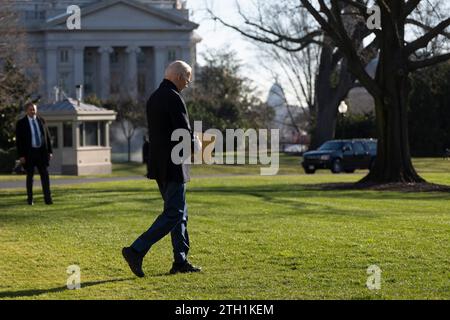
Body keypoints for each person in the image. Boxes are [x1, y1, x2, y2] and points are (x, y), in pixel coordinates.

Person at [122, 61, 201, 277]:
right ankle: (136, 250)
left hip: (160, 164)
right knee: (174, 212)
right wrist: (195, 147)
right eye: (187, 78)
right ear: (178, 76)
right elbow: (183, 131)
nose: (188, 83)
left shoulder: (154, 96)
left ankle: (180, 260)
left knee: (179, 212)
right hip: (174, 164)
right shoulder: (174, 97)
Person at [15, 102, 53, 205]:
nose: (33, 111)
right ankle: (30, 199)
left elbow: (47, 137)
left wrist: (50, 151)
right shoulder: (21, 123)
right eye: (31, 109)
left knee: (45, 176)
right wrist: (21, 156)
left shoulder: (41, 120)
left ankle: (48, 199)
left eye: (34, 109)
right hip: (29, 153)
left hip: (41, 152)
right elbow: (19, 141)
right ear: (26, 111)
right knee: (30, 177)